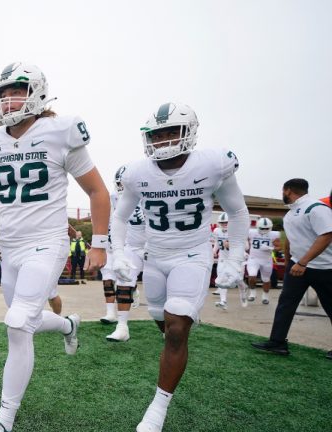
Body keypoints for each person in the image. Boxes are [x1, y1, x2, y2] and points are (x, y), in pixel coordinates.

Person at [0, 62, 109, 432]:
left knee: (16, 323)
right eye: (2, 93)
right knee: (24, 321)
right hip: (9, 249)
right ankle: (67, 325)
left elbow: (96, 191)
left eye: (16, 91)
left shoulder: (60, 130)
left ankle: (4, 418)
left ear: (37, 92)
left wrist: (99, 243)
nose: (8, 100)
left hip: (47, 244)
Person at [110, 102, 248, 432]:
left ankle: (157, 409)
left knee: (175, 328)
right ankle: (177, 344)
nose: (163, 140)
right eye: (156, 134)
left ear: (190, 132)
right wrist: (121, 254)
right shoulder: (136, 172)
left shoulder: (214, 164)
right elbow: (120, 216)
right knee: (163, 322)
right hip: (156, 257)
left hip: (192, 254)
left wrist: (235, 258)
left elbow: (238, 211)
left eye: (171, 131)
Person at [252, 179, 332, 359]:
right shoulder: (290, 214)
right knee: (285, 304)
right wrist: (289, 262)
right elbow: (291, 240)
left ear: (287, 190)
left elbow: (327, 235)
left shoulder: (316, 208)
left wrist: (303, 262)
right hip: (296, 267)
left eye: (283, 191)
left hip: (324, 268)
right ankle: (277, 342)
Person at [99, 165, 146, 342]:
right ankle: (121, 325)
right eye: (120, 183)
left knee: (160, 293)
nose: (122, 187)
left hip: (154, 246)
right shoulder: (113, 199)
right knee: (121, 280)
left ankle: (167, 325)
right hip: (128, 246)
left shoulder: (148, 192)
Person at [246, 217, 281, 304]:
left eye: (266, 228)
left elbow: (279, 247)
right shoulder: (251, 232)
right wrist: (244, 250)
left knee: (266, 279)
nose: (265, 230)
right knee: (252, 276)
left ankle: (265, 296)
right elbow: (242, 241)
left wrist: (270, 248)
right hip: (253, 259)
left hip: (266, 260)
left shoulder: (274, 234)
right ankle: (252, 293)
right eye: (262, 228)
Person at [211, 212, 231, 309]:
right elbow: (216, 243)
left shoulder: (235, 230)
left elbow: (244, 246)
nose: (224, 224)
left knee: (226, 279)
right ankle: (223, 300)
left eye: (226, 222)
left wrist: (231, 245)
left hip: (233, 259)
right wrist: (214, 251)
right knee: (220, 278)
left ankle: (224, 300)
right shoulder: (217, 231)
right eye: (222, 222)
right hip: (222, 258)